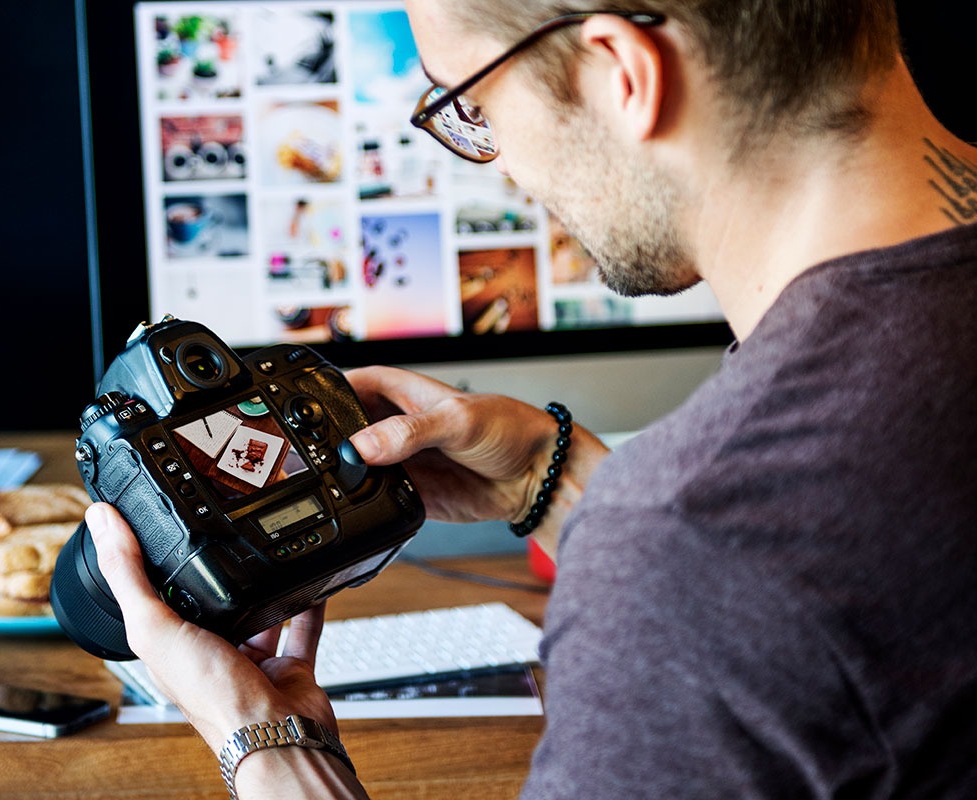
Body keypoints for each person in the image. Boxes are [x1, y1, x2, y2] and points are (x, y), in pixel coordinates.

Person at [86, 0, 977, 796]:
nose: (495, 164)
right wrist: (553, 479)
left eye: (471, 105)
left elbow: (747, 567)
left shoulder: (696, 547)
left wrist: (276, 750)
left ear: (624, 74)